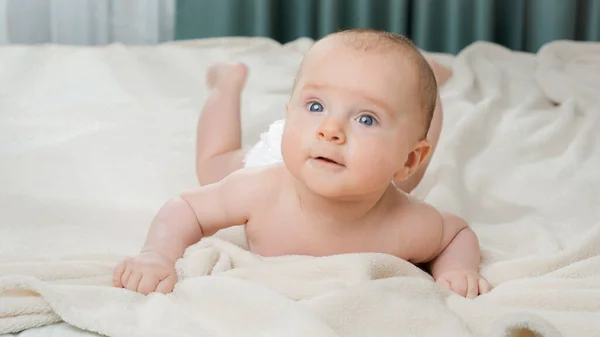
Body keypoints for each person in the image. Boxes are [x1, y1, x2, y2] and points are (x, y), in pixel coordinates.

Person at [113, 29, 491, 299]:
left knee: (409, 157)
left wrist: (458, 269)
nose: (331, 129)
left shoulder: (408, 223)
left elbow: (457, 235)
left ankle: (426, 83)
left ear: (407, 158)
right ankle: (226, 84)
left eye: (366, 119)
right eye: (315, 106)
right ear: (291, 112)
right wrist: (156, 255)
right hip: (288, 157)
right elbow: (186, 207)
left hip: (375, 177)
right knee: (213, 165)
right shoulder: (258, 189)